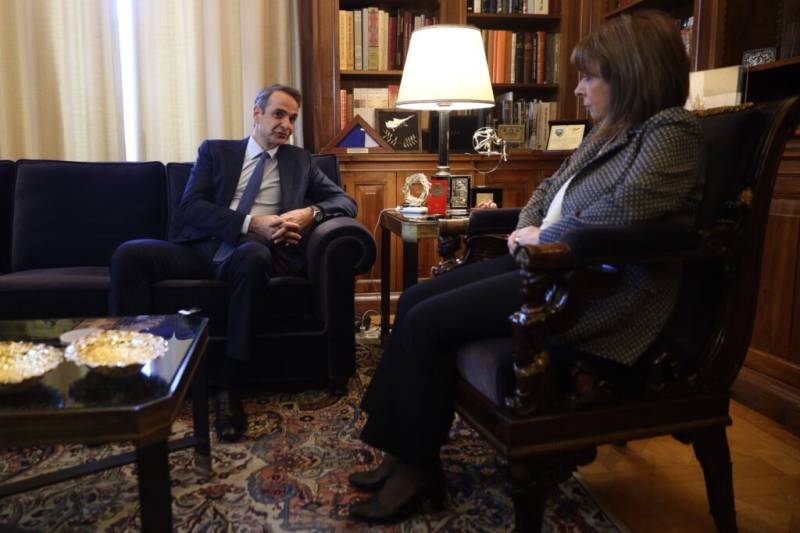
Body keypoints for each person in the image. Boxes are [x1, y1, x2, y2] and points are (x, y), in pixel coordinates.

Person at [348, 10, 702, 523]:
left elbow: (628, 210)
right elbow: (547, 189)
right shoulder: (607, 132)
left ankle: (416, 470)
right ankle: (402, 451)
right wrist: (530, 227)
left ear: (631, 76)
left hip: (593, 287)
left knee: (427, 320)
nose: (577, 89)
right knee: (417, 298)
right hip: (544, 266)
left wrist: (547, 236)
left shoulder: (672, 131)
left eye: (589, 77)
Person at [109, 84, 357, 443]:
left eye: (292, 118)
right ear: (256, 113)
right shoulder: (215, 152)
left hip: (250, 252)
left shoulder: (300, 161)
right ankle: (128, 376)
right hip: (201, 249)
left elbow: (345, 202)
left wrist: (311, 212)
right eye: (279, 114)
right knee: (129, 255)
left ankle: (230, 385)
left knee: (255, 256)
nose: (287, 125)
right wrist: (251, 223)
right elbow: (190, 207)